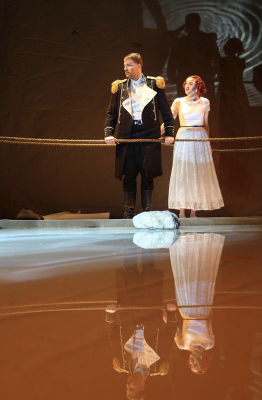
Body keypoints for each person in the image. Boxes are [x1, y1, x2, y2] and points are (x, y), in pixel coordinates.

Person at [104, 53, 175, 218]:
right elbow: (111, 113)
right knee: (128, 174)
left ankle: (146, 212)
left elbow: (165, 111)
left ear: (138, 66)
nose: (125, 69)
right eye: (124, 66)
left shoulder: (154, 84)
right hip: (127, 135)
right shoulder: (119, 87)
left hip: (149, 134)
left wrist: (169, 133)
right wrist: (109, 133)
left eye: (129, 65)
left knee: (147, 174)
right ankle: (129, 211)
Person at [105, 248, 177, 399]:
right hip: (151, 308)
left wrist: (110, 315)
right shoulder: (158, 366)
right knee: (149, 268)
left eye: (126, 389)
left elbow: (112, 335)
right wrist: (171, 313)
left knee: (129, 269)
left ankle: (128, 240)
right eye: (131, 389)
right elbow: (169, 335)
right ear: (141, 387)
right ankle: (148, 241)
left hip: (128, 307)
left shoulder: (121, 365)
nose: (127, 385)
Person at [166, 75, 224, 218]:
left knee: (197, 174)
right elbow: (169, 121)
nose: (186, 86)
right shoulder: (178, 101)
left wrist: (208, 143)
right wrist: (158, 132)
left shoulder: (205, 102)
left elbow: (206, 124)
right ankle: (181, 211)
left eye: (191, 83)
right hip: (184, 136)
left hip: (200, 138)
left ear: (198, 86)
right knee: (183, 173)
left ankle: (193, 211)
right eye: (186, 83)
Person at [169, 232, 225, 374]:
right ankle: (200, 242)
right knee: (202, 274)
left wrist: (167, 311)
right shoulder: (210, 344)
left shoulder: (182, 345)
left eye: (191, 363)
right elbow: (210, 319)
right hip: (203, 307)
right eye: (196, 363)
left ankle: (183, 241)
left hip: (187, 309)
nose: (192, 361)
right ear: (203, 360)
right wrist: (211, 298)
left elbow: (172, 326)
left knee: (187, 274)